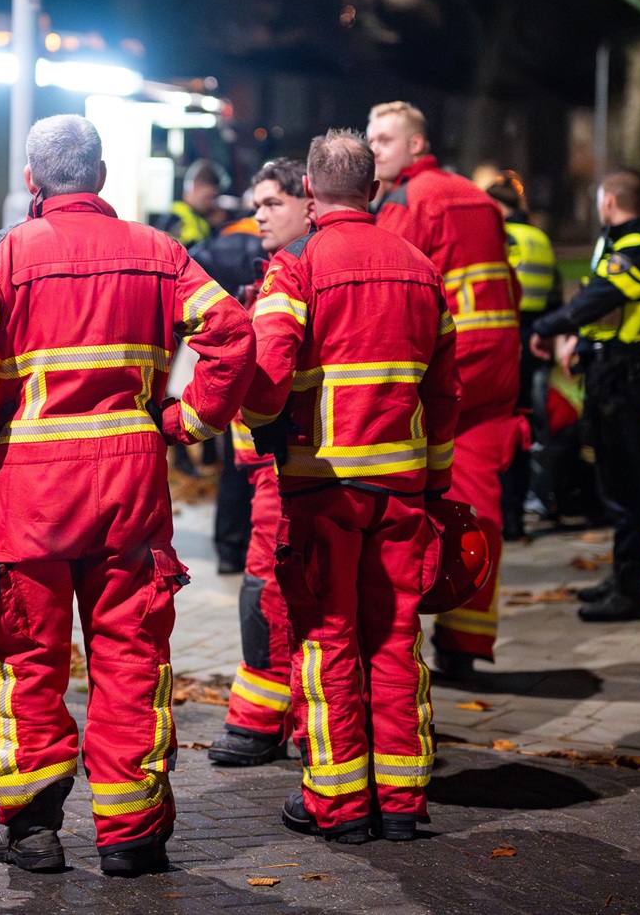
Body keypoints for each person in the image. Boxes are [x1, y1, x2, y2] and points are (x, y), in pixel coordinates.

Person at [0, 115, 254, 877]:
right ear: (101, 176)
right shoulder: (159, 251)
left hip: (32, 488)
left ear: (31, 180)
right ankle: (131, 833)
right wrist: (187, 421)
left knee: (28, 656)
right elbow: (231, 334)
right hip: (130, 484)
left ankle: (31, 829)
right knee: (131, 655)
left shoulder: (3, 254)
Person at [241, 129, 459, 844]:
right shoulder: (422, 269)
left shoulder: (295, 267)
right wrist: (435, 480)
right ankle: (401, 801)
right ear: (373, 188)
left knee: (327, 640)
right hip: (403, 490)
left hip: (323, 488)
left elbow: (266, 379)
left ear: (309, 189)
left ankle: (337, 804)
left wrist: (262, 430)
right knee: (396, 638)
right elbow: (445, 391)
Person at [367, 101, 520, 682]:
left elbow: (391, 285)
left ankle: (397, 635)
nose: (374, 150)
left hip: (447, 368)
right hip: (497, 366)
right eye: (370, 140)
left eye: (384, 139)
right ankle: (467, 638)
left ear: (416, 144)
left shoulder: (410, 201)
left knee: (406, 502)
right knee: (478, 503)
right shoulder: (476, 196)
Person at [531, 169, 640, 622]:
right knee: (617, 483)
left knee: (628, 487)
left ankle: (629, 590)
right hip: (616, 378)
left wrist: (547, 327)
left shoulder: (633, 253)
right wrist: (584, 344)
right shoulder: (635, 246)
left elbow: (594, 300)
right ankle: (622, 578)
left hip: (620, 384)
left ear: (609, 201)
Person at [207, 157, 313, 767]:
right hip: (268, 469)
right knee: (265, 595)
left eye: (273, 203)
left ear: (308, 203)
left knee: (269, 593)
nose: (260, 216)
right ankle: (276, 719)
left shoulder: (302, 271)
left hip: (291, 467)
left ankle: (267, 723)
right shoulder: (273, 271)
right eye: (256, 205)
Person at [190, 195, 267, 571]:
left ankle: (227, 550)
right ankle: (248, 547)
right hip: (262, 359)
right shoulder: (278, 247)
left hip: (220, 351)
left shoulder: (221, 239)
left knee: (232, 463)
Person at [485, 173, 559, 540]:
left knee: (503, 427)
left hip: (508, 338)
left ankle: (506, 515)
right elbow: (556, 295)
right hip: (537, 337)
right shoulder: (540, 238)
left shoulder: (503, 238)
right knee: (528, 426)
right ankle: (521, 512)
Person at [155, 158, 225, 248]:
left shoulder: (203, 219)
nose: (211, 203)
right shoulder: (174, 218)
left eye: (213, 198)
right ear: (194, 186)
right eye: (208, 197)